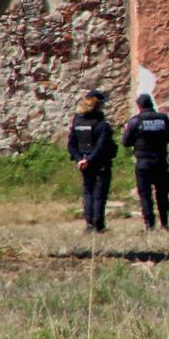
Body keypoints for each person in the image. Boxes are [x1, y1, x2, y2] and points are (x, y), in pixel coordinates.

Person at [122, 93, 169, 231]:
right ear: (151, 104)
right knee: (162, 194)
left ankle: (149, 224)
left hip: (143, 163)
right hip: (160, 161)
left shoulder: (135, 121)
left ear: (139, 106)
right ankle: (164, 223)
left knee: (145, 194)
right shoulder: (163, 119)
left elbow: (126, 142)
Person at [67, 89, 117, 233]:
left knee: (88, 192)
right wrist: (89, 160)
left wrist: (80, 160)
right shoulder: (102, 125)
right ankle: (98, 225)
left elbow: (71, 145)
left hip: (84, 163)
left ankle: (89, 224)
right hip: (99, 163)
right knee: (99, 194)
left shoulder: (77, 122)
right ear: (99, 105)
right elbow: (101, 146)